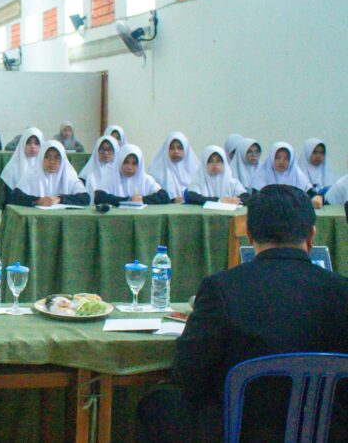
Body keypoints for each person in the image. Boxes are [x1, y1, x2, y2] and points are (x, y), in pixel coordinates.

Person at [137, 185, 348, 442]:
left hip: (241, 431)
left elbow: (187, 373)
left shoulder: (222, 288)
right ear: (312, 235)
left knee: (156, 405)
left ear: (248, 234)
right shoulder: (342, 291)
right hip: (329, 432)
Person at [9, 141, 90, 206]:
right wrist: (38, 201)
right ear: (41, 158)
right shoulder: (32, 174)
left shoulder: (69, 175)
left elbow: (85, 198)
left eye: (57, 157)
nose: (52, 162)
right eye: (47, 157)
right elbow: (14, 197)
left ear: (62, 160)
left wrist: (59, 199)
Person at [249, 142, 323, 208]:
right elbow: (254, 201)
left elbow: (313, 195)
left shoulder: (298, 176)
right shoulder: (261, 176)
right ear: (271, 158)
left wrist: (318, 198)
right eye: (278, 158)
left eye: (286, 159)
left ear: (291, 161)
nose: (281, 162)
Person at [93, 144, 170, 206]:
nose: (129, 167)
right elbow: (99, 198)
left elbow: (164, 197)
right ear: (120, 161)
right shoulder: (110, 177)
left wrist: (142, 199)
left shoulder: (146, 180)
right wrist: (128, 200)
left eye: (134, 163)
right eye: (126, 162)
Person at [184, 146, 248, 205]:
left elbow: (246, 197)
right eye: (210, 161)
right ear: (204, 164)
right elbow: (192, 197)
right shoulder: (198, 182)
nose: (215, 164)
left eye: (218, 161)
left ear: (224, 163)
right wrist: (219, 201)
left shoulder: (233, 183)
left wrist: (234, 200)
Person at [147, 131, 200, 203]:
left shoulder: (197, 171)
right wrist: (173, 199)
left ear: (186, 149)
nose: (176, 151)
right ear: (167, 150)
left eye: (179, 148)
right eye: (172, 148)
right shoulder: (155, 172)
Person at [0, 127, 44, 191]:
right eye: (28, 143)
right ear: (22, 144)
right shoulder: (11, 169)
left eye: (36, 143)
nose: (32, 146)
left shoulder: (46, 167)